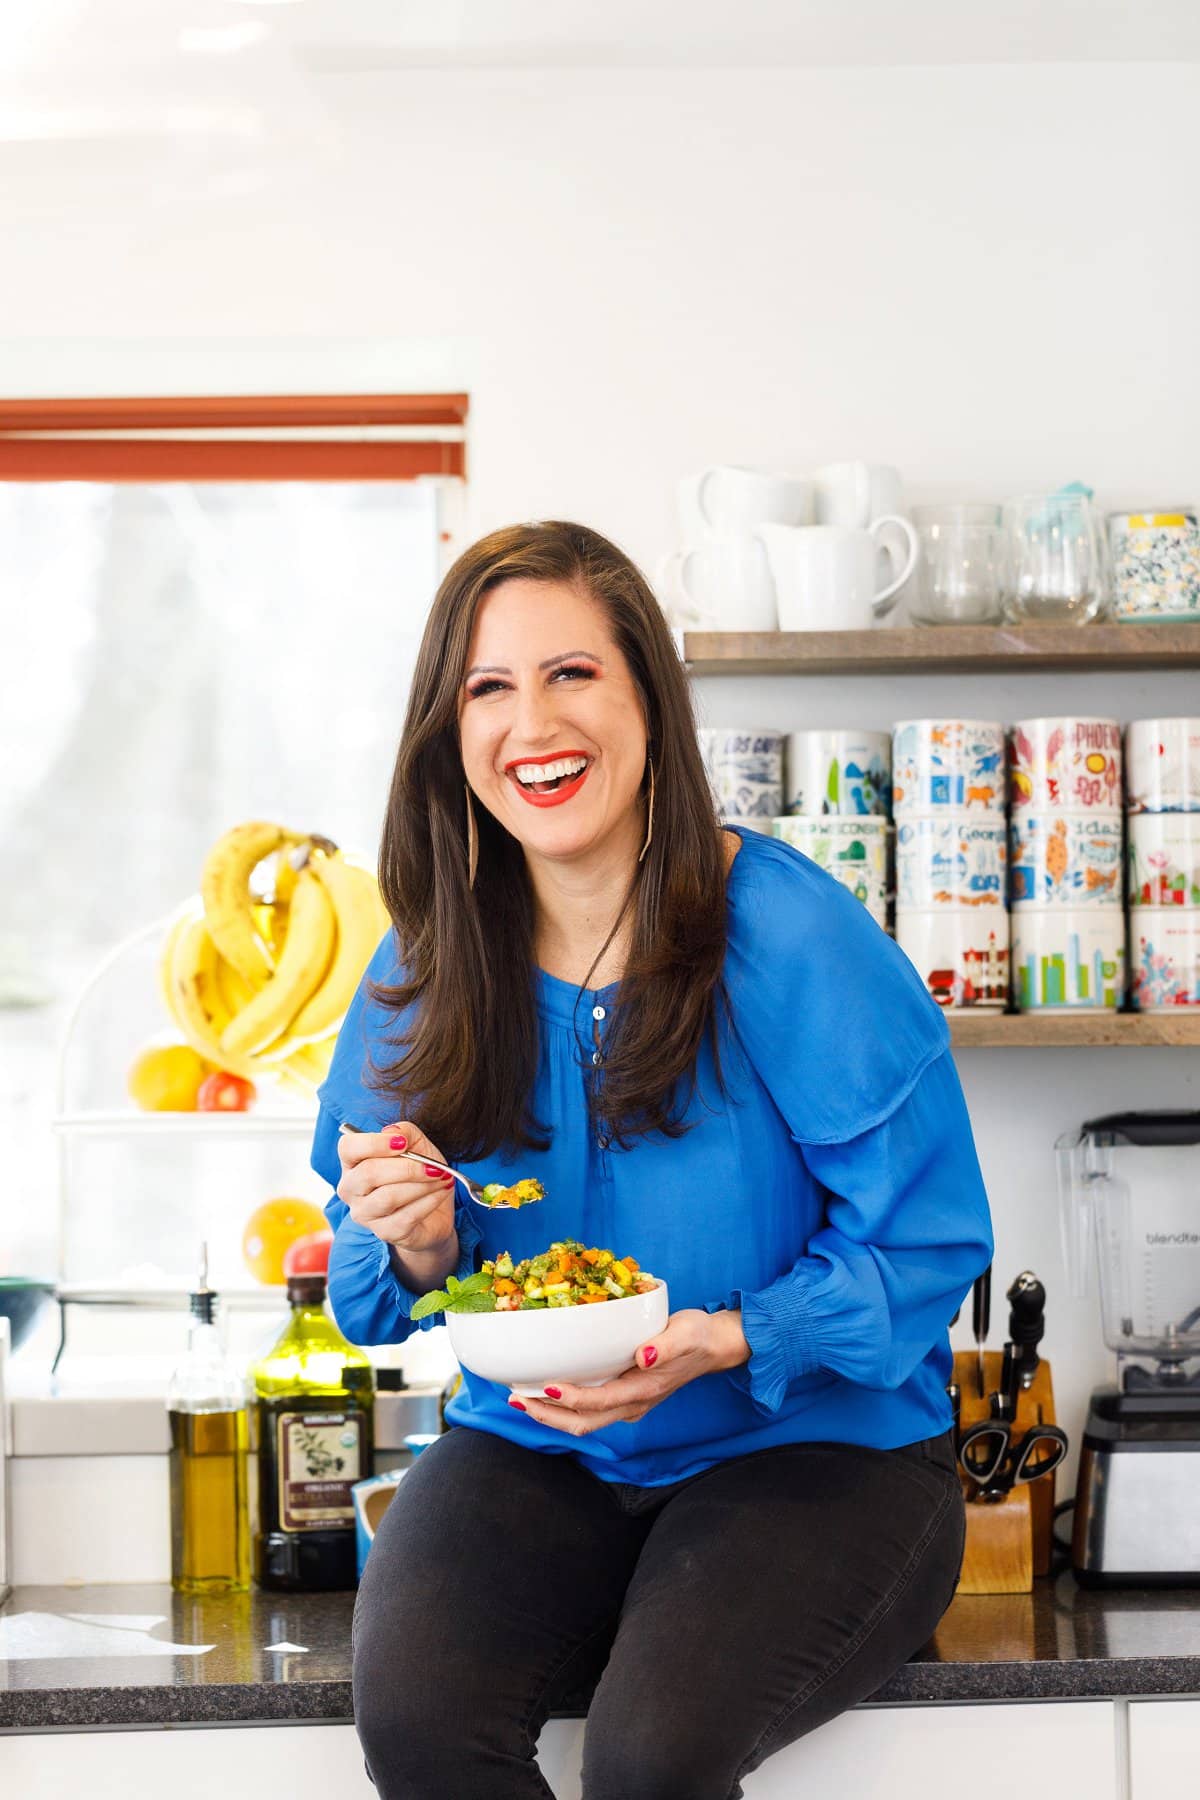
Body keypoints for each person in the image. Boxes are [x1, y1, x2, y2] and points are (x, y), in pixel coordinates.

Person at [312, 520, 993, 1800]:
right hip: (537, 1448)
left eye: (573, 673)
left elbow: (928, 1246)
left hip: (819, 1461)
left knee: (648, 1761)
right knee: (419, 1726)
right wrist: (416, 1236)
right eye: (488, 688)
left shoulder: (789, 934)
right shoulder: (423, 967)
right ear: (448, 733)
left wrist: (728, 1338)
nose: (532, 725)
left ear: (647, 701)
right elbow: (374, 1277)